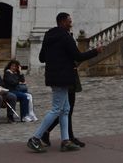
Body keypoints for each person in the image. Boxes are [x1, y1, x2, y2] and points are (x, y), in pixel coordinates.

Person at [27, 12, 102, 153]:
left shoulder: (48, 36)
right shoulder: (66, 37)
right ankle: (35, 138)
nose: (70, 23)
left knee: (65, 109)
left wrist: (56, 58)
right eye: (69, 21)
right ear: (62, 22)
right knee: (56, 109)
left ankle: (65, 140)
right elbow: (78, 56)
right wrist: (95, 51)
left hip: (53, 76)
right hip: (63, 77)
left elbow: (42, 58)